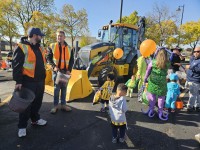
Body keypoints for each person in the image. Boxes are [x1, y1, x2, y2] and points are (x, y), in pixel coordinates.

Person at [12, 27, 47, 138]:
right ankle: (22, 127)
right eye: (40, 35)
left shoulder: (40, 48)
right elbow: (16, 66)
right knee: (26, 106)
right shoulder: (21, 47)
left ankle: (35, 119)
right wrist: (18, 81)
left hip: (40, 81)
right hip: (28, 82)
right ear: (34, 35)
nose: (41, 37)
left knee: (37, 102)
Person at [46, 30, 74, 114]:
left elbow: (71, 60)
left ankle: (63, 105)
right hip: (57, 72)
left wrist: (69, 70)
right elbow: (48, 58)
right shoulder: (52, 46)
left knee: (64, 89)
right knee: (56, 89)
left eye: (61, 36)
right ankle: (55, 106)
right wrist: (54, 67)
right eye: (58, 36)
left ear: (64, 37)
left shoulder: (69, 48)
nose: (59, 37)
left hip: (65, 72)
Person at [143, 49, 170, 120]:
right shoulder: (167, 63)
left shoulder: (153, 62)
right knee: (161, 98)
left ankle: (151, 109)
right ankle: (160, 111)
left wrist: (145, 79)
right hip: (162, 83)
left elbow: (147, 72)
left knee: (152, 97)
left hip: (152, 83)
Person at [186, 46, 200, 112]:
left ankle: (190, 107)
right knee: (196, 93)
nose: (196, 53)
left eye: (198, 51)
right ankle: (197, 106)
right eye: (194, 51)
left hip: (195, 80)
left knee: (192, 94)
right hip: (190, 79)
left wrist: (190, 67)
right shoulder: (193, 58)